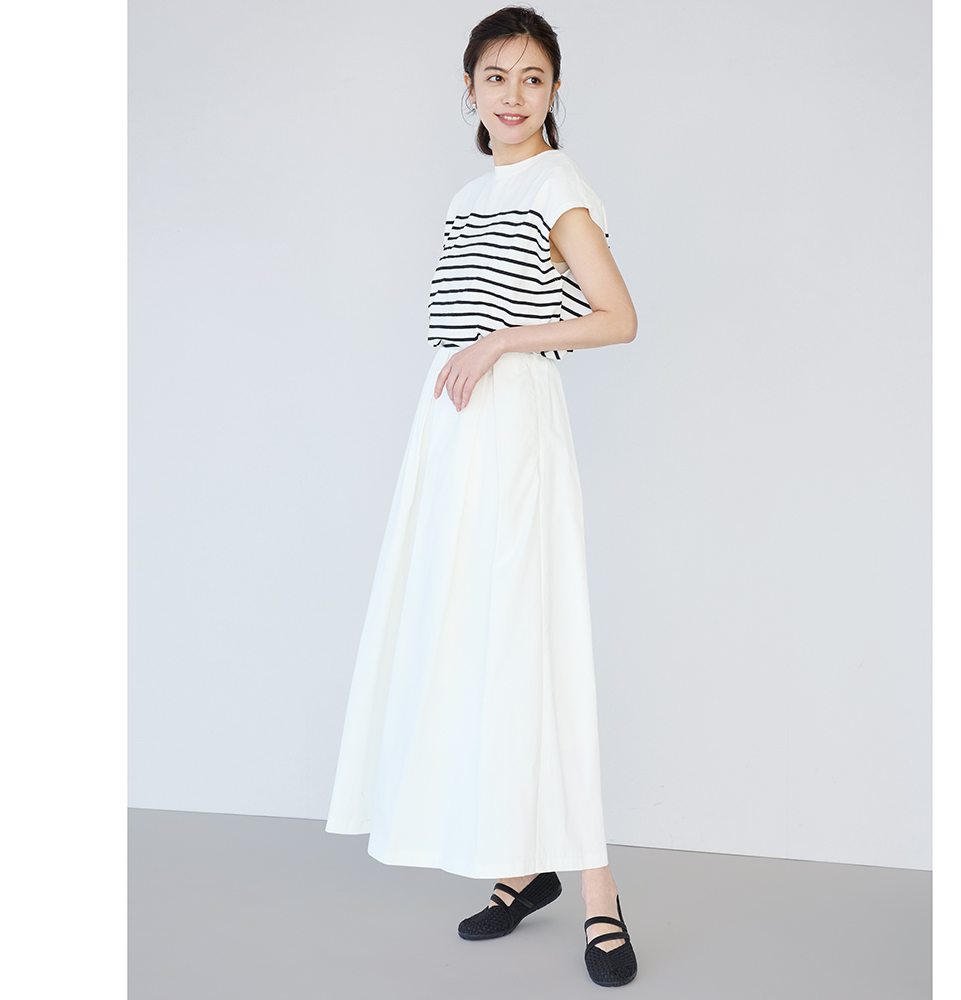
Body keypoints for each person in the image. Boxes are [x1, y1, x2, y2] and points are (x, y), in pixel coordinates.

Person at [325, 6, 639, 987]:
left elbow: (617, 317)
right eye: (496, 76)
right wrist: (476, 357)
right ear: (468, 88)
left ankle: (599, 896)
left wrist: (505, 339)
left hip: (516, 436)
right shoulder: (467, 198)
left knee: (535, 644)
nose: (513, 94)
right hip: (451, 440)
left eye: (532, 77)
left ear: (554, 91)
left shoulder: (557, 185)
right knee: (470, 643)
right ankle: (520, 866)